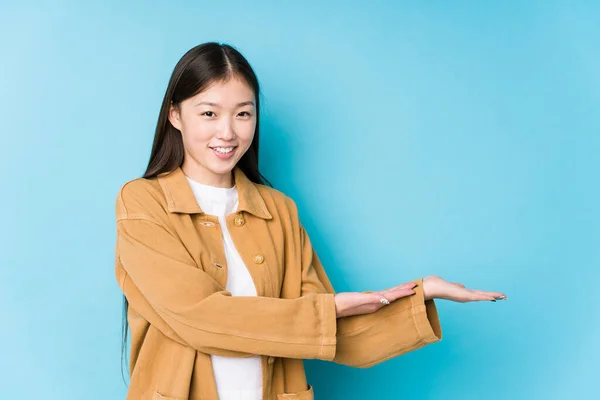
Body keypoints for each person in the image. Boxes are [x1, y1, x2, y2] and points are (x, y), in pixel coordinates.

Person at [114, 42, 507, 400]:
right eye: (209, 113)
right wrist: (327, 310)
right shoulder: (142, 203)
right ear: (175, 116)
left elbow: (329, 334)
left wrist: (418, 296)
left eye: (243, 114)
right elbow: (198, 318)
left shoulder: (279, 211)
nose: (228, 132)